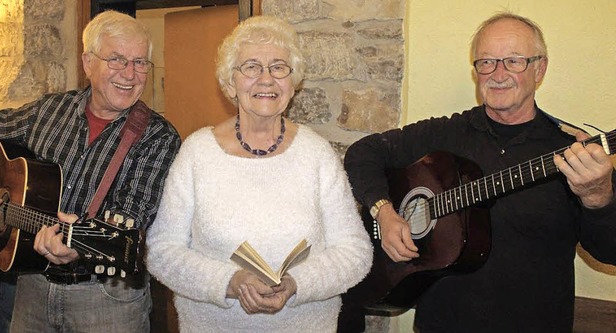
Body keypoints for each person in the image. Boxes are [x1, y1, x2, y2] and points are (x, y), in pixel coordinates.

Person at [340, 12, 616, 333]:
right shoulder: (444, 134)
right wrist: (384, 212)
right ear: (476, 72)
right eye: (486, 62)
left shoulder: (574, 152)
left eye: (514, 61)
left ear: (539, 69)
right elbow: (363, 153)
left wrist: (598, 196)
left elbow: (609, 252)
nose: (498, 74)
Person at [146, 15, 373, 333]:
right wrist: (230, 281)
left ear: (293, 84)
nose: (266, 79)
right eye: (251, 67)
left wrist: (297, 283)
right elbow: (163, 251)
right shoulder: (197, 153)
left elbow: (355, 252)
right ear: (229, 83)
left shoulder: (317, 154)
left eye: (279, 67)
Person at [0, 10, 181, 333]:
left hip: (107, 300)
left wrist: (78, 243)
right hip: (32, 289)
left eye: (140, 62)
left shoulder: (158, 137)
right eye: (116, 59)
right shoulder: (48, 110)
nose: (130, 74)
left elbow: (131, 214)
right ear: (88, 62)